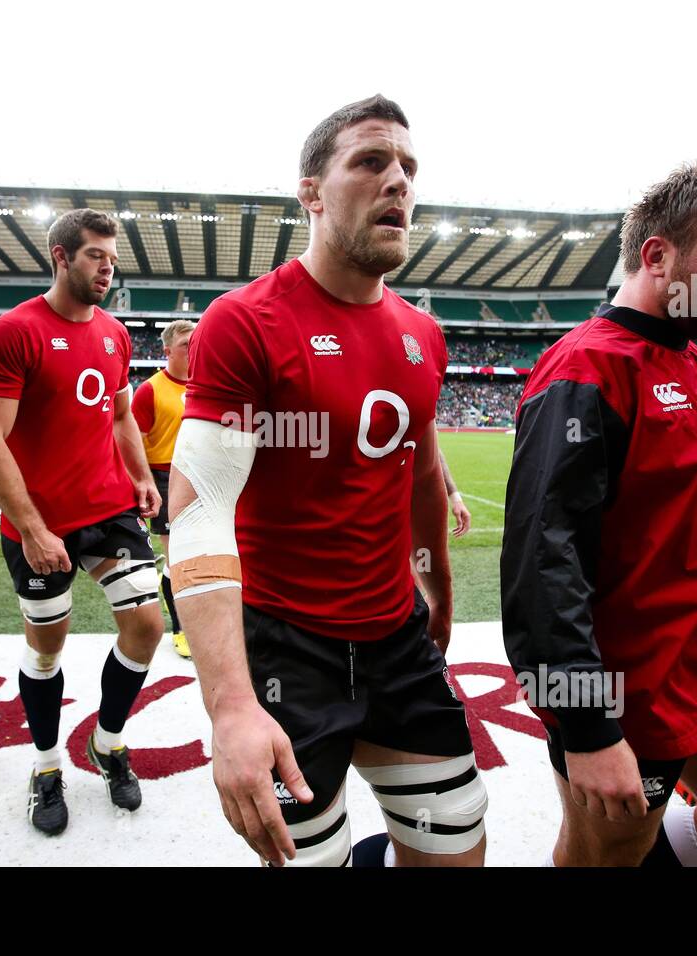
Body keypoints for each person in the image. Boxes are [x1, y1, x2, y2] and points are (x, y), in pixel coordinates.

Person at [169, 95, 487, 868]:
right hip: (285, 651)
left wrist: (436, 583)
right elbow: (201, 508)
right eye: (372, 162)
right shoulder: (246, 321)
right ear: (310, 191)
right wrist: (231, 704)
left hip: (398, 639)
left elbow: (416, 462)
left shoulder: (423, 333)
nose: (399, 183)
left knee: (459, 843)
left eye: (409, 167)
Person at [502, 163, 697, 866]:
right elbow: (543, 566)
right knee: (601, 859)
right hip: (624, 689)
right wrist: (587, 727)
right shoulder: (587, 369)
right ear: (659, 255)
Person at [0, 208, 163, 835]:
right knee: (47, 646)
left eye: (112, 258)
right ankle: (47, 764)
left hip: (108, 509)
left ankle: (107, 743)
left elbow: (119, 417)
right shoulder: (15, 331)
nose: (108, 268)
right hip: (39, 523)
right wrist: (29, 526)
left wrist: (138, 477)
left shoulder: (115, 333)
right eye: (94, 256)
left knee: (147, 625)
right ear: (60, 256)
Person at [131, 318, 195, 658]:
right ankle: (180, 628)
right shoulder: (150, 390)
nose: (194, 349)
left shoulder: (208, 383)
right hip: (165, 478)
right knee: (178, 558)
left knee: (204, 554)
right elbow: (134, 441)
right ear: (167, 351)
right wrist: (142, 483)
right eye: (187, 344)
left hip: (202, 477)